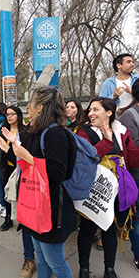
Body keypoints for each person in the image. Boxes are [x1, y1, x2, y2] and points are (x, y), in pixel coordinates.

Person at [1, 86, 77, 278]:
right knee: (41, 258)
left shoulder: (55, 134)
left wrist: (29, 158)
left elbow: (58, 172)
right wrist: (10, 150)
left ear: (41, 107)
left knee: (55, 261)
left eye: (31, 103)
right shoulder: (35, 132)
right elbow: (27, 165)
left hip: (51, 210)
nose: (27, 107)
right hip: (35, 205)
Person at [76, 97, 139, 278]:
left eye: (96, 110)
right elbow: (87, 158)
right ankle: (84, 269)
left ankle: (109, 269)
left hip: (115, 190)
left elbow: (133, 161)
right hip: (92, 188)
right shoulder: (83, 132)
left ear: (109, 112)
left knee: (110, 228)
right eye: (90, 110)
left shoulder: (123, 132)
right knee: (87, 228)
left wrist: (130, 147)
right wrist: (107, 141)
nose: (91, 113)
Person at [0, 105, 36, 278]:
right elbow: (3, 153)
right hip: (11, 173)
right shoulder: (3, 131)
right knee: (21, 214)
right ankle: (29, 258)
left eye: (13, 114)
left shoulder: (27, 132)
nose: (10, 116)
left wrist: (9, 148)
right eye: (8, 114)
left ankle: (40, 258)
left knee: (32, 218)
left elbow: (27, 158)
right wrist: (5, 151)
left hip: (29, 176)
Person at [118, 78, 139, 272]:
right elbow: (131, 154)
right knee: (136, 216)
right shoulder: (129, 116)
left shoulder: (130, 115)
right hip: (135, 174)